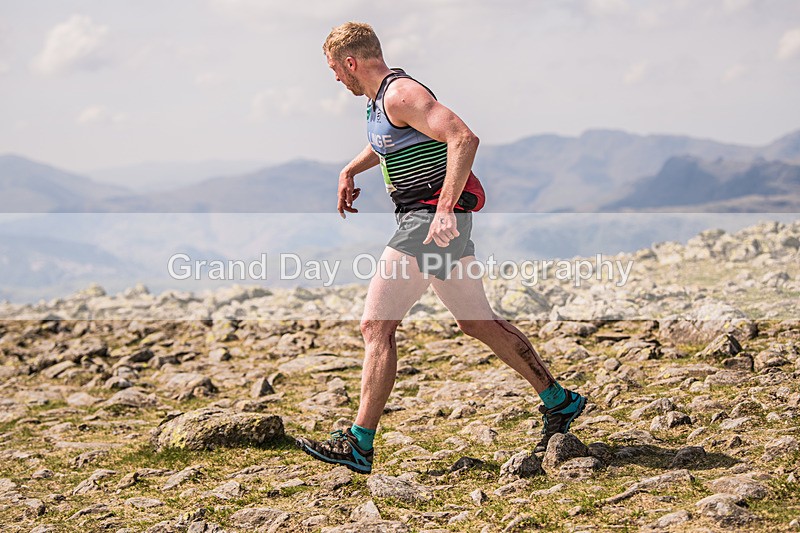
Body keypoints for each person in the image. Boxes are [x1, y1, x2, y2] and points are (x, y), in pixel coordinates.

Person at [296, 22, 586, 474]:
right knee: (477, 322)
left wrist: (446, 208)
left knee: (376, 328)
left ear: (350, 63)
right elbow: (387, 142)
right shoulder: (382, 104)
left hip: (427, 222)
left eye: (334, 69)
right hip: (436, 224)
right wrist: (350, 169)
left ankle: (359, 443)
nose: (335, 79)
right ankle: (558, 399)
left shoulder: (399, 93)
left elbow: (463, 137)